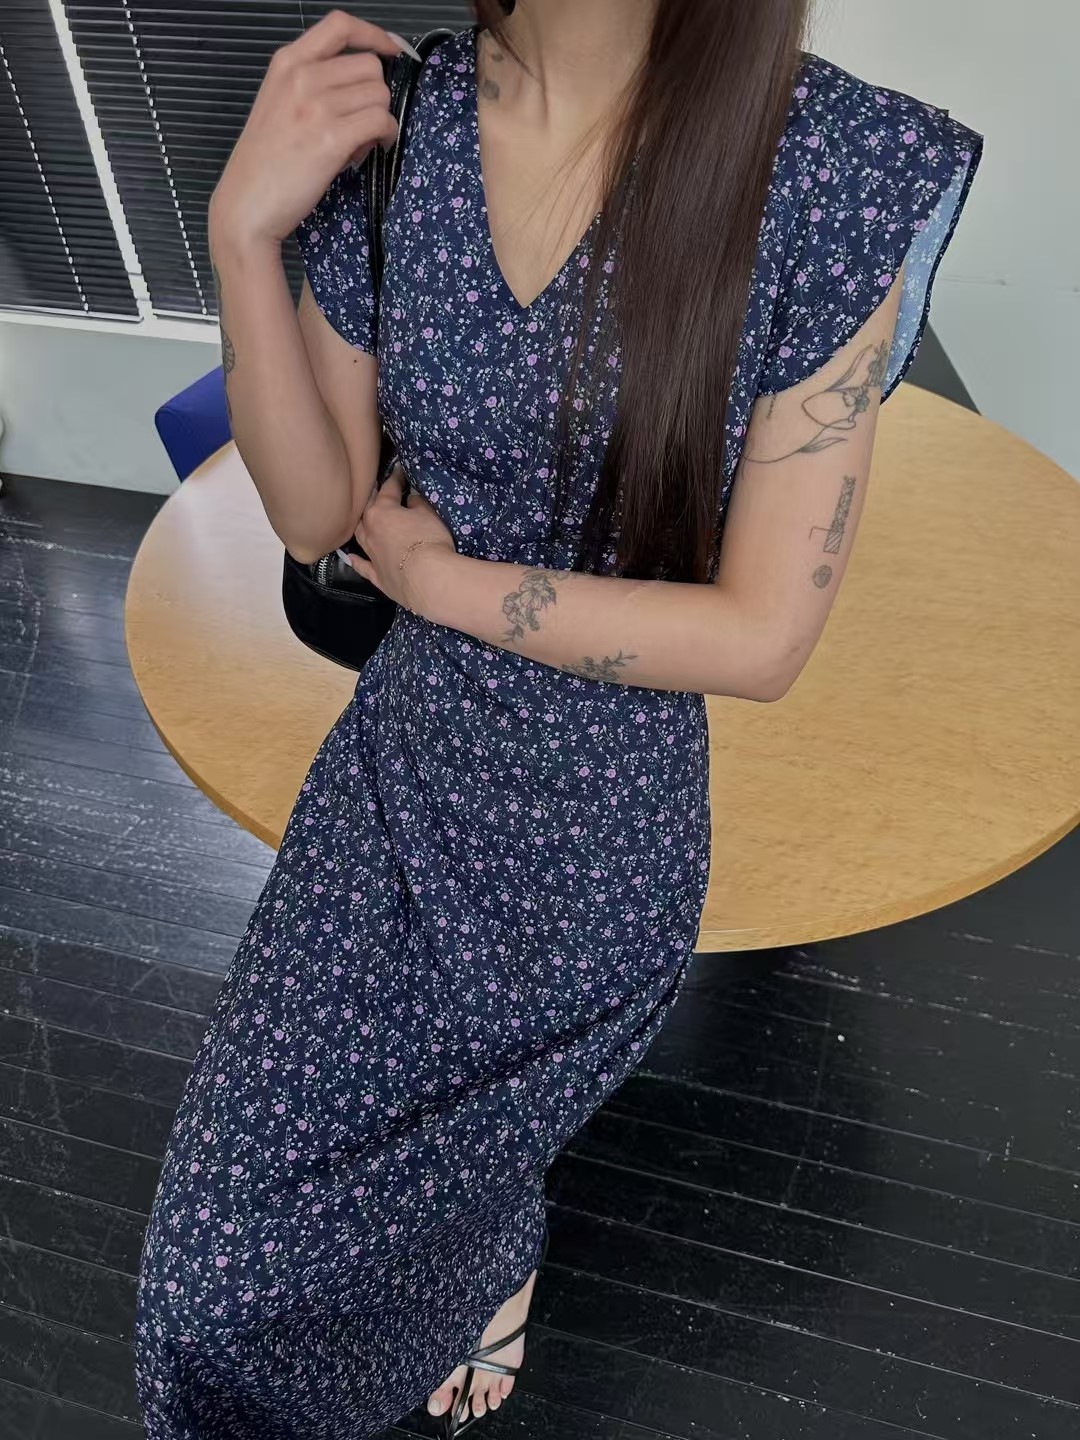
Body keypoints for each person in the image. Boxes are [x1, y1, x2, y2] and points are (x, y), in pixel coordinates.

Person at [133, 3, 983, 1437]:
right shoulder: (397, 124)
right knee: (210, 1285)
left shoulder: (830, 166)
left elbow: (762, 637)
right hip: (404, 780)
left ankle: (487, 1257)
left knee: (470, 1144)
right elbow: (316, 509)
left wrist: (440, 583)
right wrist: (239, 239)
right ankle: (467, 1264)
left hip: (597, 848)